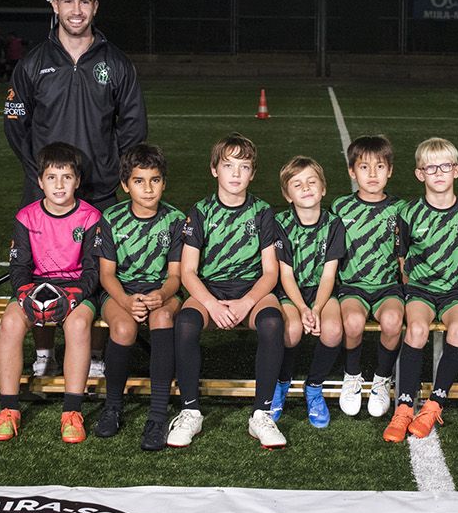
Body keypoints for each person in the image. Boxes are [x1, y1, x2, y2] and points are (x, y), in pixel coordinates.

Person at [6, 0, 147, 377]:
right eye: (68, 0)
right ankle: (45, 353)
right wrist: (41, 175)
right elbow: (15, 122)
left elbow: (133, 125)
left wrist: (111, 169)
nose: (76, 9)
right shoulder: (33, 63)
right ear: (55, 5)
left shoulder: (116, 63)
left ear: (95, 6)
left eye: (84, 1)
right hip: (44, 194)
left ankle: (97, 356)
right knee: (40, 271)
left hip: (99, 192)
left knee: (99, 275)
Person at [170, 133, 287, 449]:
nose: (236, 174)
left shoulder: (262, 211)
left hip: (253, 290)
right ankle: (190, 410)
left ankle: (261, 414)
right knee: (186, 324)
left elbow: (270, 272)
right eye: (228, 165)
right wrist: (214, 304)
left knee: (273, 323)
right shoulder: (200, 211)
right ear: (214, 170)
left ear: (253, 173)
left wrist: (246, 303)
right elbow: (188, 272)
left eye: (244, 166)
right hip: (210, 290)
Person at [0, 142, 102, 444]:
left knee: (78, 324)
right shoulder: (26, 217)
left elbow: (94, 270)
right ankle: (9, 409)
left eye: (67, 177)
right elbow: (19, 267)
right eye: (52, 177)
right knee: (11, 323)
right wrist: (26, 294)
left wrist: (73, 297)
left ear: (78, 180)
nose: (60, 184)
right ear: (40, 182)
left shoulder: (91, 218)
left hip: (77, 289)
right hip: (36, 285)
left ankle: (72, 411)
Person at [91, 143, 185, 450]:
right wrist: (127, 301)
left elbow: (176, 275)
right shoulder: (111, 218)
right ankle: (112, 407)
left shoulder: (175, 220)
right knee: (123, 328)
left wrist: (160, 295)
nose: (148, 188)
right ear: (125, 185)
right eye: (139, 181)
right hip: (121, 292)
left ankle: (157, 416)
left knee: (163, 316)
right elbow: (106, 275)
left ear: (164, 183)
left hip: (162, 291)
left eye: (155, 180)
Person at [385, 137, 458, 443]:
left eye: (445, 166)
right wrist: (413, 284)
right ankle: (404, 408)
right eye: (430, 167)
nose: (438, 173)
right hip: (422, 290)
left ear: (457, 170)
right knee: (416, 329)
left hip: (457, 293)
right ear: (419, 173)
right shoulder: (409, 214)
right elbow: (402, 257)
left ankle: (434, 404)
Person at [271, 156, 347, 431]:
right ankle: (281, 382)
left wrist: (315, 308)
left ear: (323, 188)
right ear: (287, 194)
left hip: (321, 291)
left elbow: (329, 274)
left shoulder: (334, 224)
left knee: (333, 330)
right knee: (290, 331)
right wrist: (303, 309)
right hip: (290, 291)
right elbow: (285, 274)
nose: (306, 188)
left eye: (312, 182)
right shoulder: (279, 223)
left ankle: (313, 386)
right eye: (297, 184)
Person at [332, 135, 404, 419]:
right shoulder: (340, 207)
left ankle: (382, 379)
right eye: (364, 167)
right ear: (352, 171)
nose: (372, 174)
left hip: (388, 287)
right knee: (352, 322)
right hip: (353, 286)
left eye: (380, 166)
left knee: (392, 321)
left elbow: (404, 255)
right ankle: (352, 375)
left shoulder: (401, 209)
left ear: (390, 170)